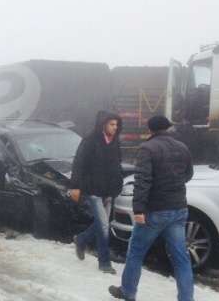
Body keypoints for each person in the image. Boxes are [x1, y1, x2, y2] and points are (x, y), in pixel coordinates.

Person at [110, 115, 194, 301]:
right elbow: (188, 175)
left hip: (155, 211)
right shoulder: (182, 147)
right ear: (168, 128)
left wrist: (138, 210)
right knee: (181, 258)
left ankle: (127, 292)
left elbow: (142, 181)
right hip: (179, 209)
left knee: (136, 252)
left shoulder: (147, 148)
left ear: (150, 130)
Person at [69, 110, 124, 274]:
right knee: (104, 226)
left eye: (117, 125)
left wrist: (118, 181)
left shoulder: (115, 142)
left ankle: (81, 239)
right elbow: (78, 163)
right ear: (103, 124)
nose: (115, 127)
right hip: (92, 188)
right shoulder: (90, 140)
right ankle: (104, 262)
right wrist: (75, 186)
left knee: (102, 224)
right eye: (112, 124)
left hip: (108, 190)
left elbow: (117, 164)